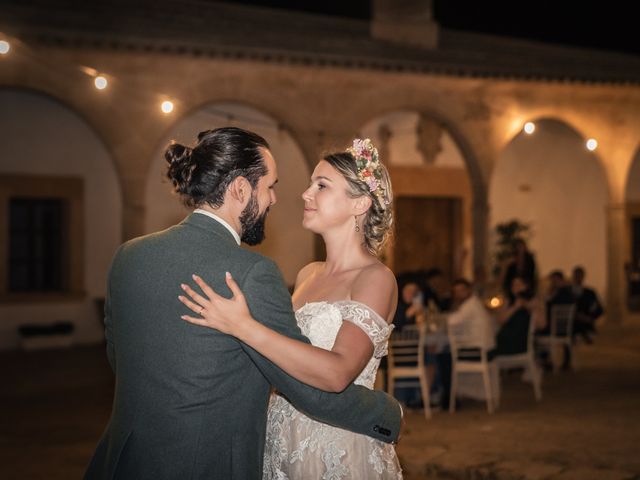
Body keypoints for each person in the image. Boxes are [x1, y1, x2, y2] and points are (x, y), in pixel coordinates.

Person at [84, 129, 402, 480]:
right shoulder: (254, 272)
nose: (280, 198)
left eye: (321, 185)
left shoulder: (128, 256)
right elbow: (301, 386)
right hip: (209, 460)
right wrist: (387, 413)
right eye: (269, 187)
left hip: (126, 457)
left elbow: (120, 355)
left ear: (360, 203)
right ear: (239, 189)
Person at [179, 138, 403, 479]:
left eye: (322, 185)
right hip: (281, 433)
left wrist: (243, 326)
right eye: (311, 183)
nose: (305, 194)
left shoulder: (376, 278)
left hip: (335, 441)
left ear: (359, 204)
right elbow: (287, 353)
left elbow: (337, 373)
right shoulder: (308, 274)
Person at [495, 275, 546, 357]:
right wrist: (514, 307)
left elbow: (542, 325)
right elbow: (500, 321)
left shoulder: (534, 302)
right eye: (513, 285)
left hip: (521, 341)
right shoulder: (508, 301)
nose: (516, 288)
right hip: (505, 338)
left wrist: (530, 308)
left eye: (519, 285)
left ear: (526, 286)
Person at [571, 266, 604, 343]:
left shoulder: (590, 292)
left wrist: (590, 318)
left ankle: (584, 333)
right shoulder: (567, 291)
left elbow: (600, 308)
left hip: (585, 321)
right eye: (576, 276)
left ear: (583, 277)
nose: (578, 278)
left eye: (580, 276)